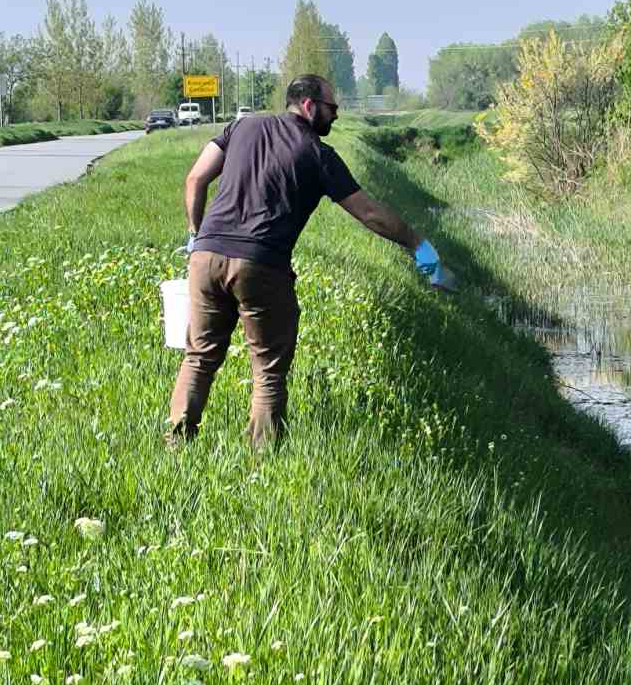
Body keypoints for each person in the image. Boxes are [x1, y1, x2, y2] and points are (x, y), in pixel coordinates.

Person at [166, 73, 452, 446]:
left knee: (199, 356)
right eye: (332, 108)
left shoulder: (241, 127)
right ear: (308, 105)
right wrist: (421, 248)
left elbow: (195, 179)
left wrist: (196, 235)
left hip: (205, 257)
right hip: (260, 264)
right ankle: (263, 461)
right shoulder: (318, 155)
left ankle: (176, 444)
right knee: (267, 372)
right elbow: (370, 214)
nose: (336, 116)